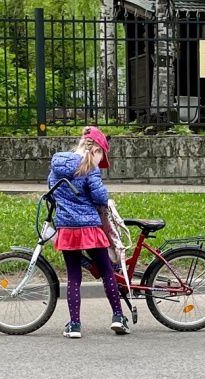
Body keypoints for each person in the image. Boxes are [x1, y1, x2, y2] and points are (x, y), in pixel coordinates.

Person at [47, 126, 130, 339]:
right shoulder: (90, 168)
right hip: (91, 228)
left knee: (74, 277)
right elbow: (100, 197)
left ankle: (74, 325)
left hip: (67, 227)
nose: (100, 159)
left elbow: (51, 190)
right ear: (95, 150)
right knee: (106, 272)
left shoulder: (57, 165)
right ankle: (118, 317)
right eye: (101, 153)